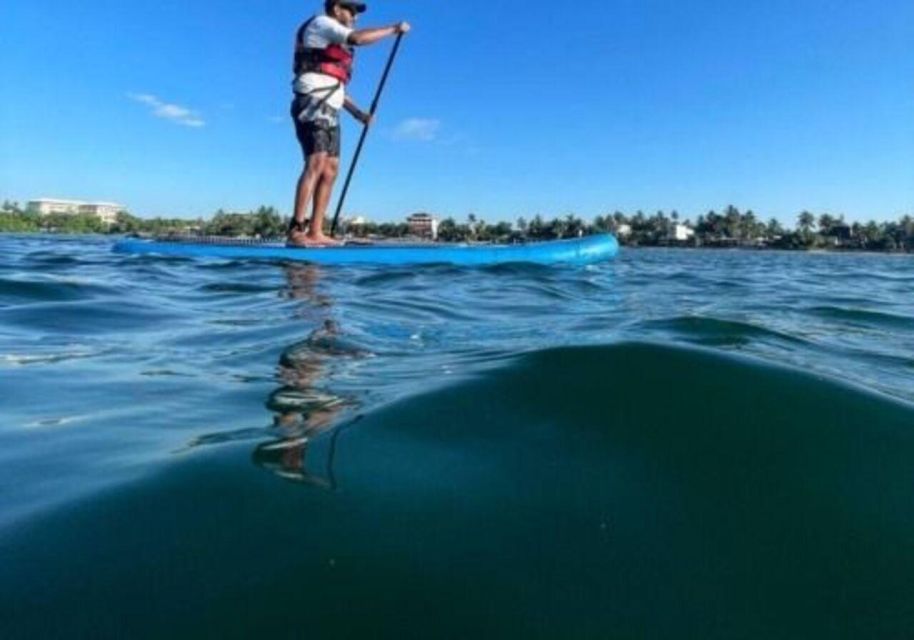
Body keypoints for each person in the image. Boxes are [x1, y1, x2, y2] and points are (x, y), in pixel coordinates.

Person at [288, 1, 410, 246]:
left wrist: (359, 114)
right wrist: (393, 29)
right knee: (317, 161)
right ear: (336, 9)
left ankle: (316, 231)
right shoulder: (323, 24)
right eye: (351, 10)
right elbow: (358, 39)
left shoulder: (334, 39)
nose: (354, 16)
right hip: (311, 103)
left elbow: (337, 87)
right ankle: (295, 231)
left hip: (330, 107)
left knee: (331, 168)